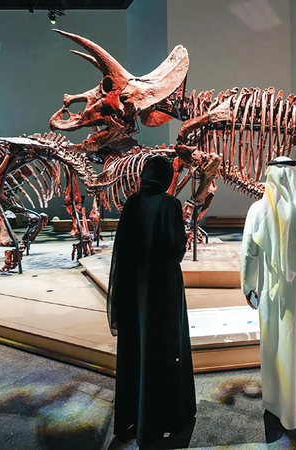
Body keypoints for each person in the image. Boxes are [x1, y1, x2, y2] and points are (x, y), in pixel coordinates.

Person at [107, 155, 196, 447]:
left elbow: (122, 249)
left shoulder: (132, 203)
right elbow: (176, 250)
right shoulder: (170, 205)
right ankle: (164, 417)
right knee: (164, 347)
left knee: (136, 348)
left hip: (134, 290)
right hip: (162, 290)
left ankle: (133, 416)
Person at [240, 155, 296, 430]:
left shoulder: (259, 209)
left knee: (277, 345)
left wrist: (248, 286)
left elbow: (249, 253)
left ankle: (278, 404)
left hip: (274, 295)